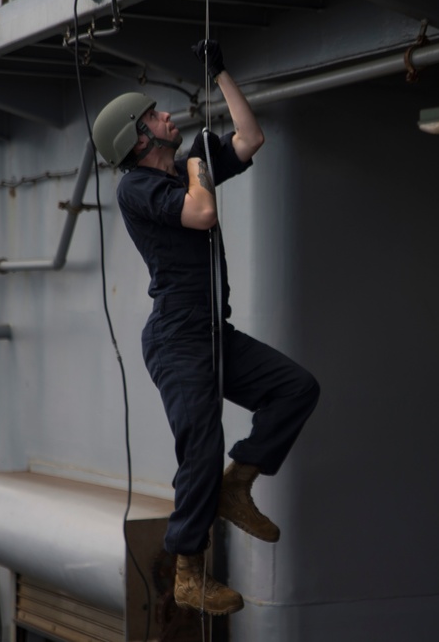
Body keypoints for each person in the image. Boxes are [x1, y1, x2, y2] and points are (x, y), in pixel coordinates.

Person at [92, 40, 320, 616]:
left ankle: (236, 485)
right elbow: (202, 212)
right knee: (201, 441)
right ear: (138, 140)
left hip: (211, 330)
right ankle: (188, 572)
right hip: (175, 336)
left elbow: (250, 138)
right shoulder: (137, 188)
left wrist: (221, 73)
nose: (167, 115)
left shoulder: (187, 170)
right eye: (153, 116)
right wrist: (199, 164)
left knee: (296, 388)